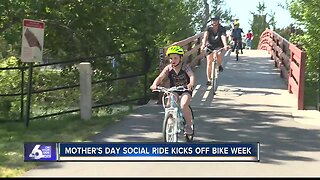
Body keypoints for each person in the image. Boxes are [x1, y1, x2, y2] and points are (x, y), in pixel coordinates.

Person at [150, 45, 195, 135]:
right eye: (171, 58)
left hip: (185, 89)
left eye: (175, 58)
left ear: (180, 58)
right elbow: (160, 77)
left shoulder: (185, 67)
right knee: (169, 103)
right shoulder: (169, 68)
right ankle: (170, 120)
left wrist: (190, 84)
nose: (173, 60)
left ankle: (189, 125)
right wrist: (154, 84)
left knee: (183, 104)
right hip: (174, 89)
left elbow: (191, 76)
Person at [200, 16, 229, 86]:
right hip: (209, 45)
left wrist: (225, 45)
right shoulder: (208, 28)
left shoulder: (222, 28)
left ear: (218, 21)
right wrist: (203, 44)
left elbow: (223, 36)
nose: (214, 21)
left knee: (219, 54)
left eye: (215, 20)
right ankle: (209, 79)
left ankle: (219, 65)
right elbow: (205, 36)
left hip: (218, 45)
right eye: (212, 20)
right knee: (209, 62)